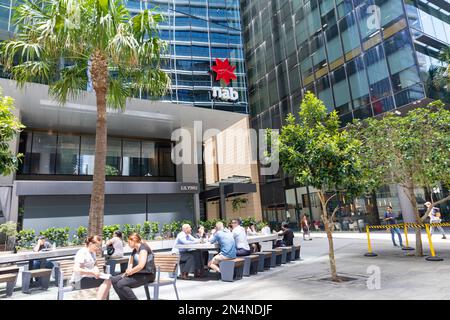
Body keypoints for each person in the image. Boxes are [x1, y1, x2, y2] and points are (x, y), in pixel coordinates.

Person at [111, 233, 155, 300]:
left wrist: (131, 271)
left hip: (147, 275)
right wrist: (128, 270)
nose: (128, 244)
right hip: (138, 273)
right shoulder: (135, 250)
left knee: (121, 284)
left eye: (129, 242)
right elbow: (130, 263)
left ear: (134, 240)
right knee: (114, 280)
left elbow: (141, 266)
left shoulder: (143, 249)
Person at [70, 235, 112, 300]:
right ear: (90, 244)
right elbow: (76, 269)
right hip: (78, 281)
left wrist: (96, 269)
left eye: (99, 246)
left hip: (88, 277)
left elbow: (95, 264)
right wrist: (92, 272)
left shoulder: (92, 253)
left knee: (108, 279)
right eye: (97, 246)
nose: (98, 248)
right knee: (107, 281)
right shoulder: (82, 252)